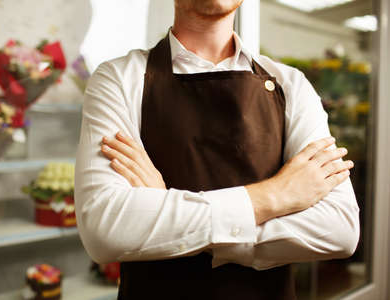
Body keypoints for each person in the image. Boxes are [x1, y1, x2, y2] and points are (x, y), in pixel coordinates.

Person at [74, 0, 360, 299]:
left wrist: (166, 214)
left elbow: (339, 229)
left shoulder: (292, 86)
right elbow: (104, 229)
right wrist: (276, 196)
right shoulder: (118, 79)